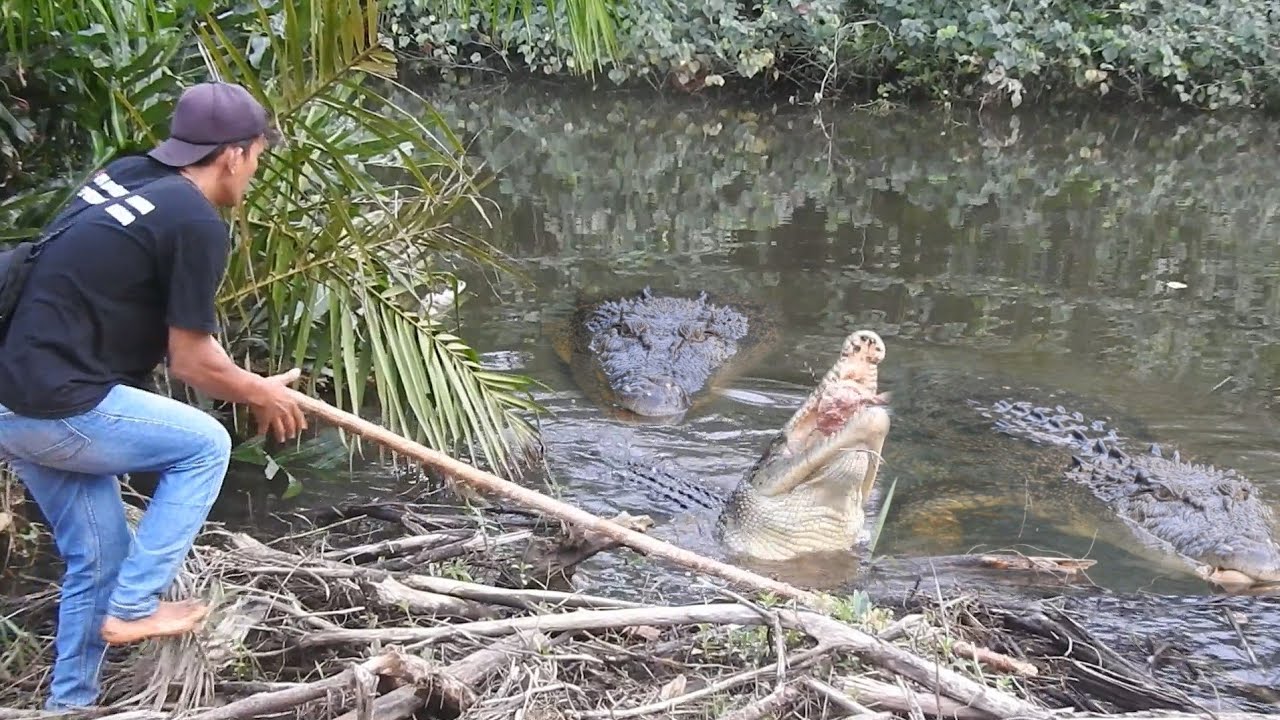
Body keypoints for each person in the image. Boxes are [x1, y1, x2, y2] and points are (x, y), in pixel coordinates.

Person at [0, 81, 308, 711]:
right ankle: (136, 606)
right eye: (257, 156)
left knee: (99, 557)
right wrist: (259, 394)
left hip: (12, 398)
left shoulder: (126, 175)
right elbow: (190, 361)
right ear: (234, 154)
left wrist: (252, 385)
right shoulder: (195, 220)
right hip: (56, 403)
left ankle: (70, 704)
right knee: (206, 445)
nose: (253, 171)